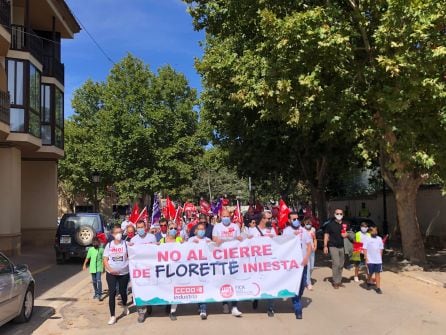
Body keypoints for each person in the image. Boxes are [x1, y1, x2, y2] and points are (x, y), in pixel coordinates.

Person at [212, 208, 243, 317]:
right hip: (222, 259)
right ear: (220, 217)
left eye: (227, 216)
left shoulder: (235, 227)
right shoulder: (217, 227)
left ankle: (234, 306)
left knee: (234, 280)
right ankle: (225, 303)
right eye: (223, 216)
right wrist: (217, 240)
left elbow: (240, 239)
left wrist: (241, 239)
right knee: (224, 280)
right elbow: (214, 238)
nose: (225, 218)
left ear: (230, 216)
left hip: (234, 258)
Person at [283, 212, 312, 319]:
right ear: (289, 220)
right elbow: (283, 246)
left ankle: (297, 298)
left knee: (303, 283)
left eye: (297, 218)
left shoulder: (304, 230)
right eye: (293, 219)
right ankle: (297, 308)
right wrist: (291, 237)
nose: (296, 220)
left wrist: (306, 258)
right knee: (295, 284)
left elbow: (309, 246)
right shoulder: (286, 231)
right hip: (292, 264)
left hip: (303, 263)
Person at [247, 211, 276, 316]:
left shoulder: (272, 230)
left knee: (270, 283)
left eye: (271, 218)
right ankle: (255, 298)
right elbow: (246, 245)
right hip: (257, 263)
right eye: (268, 218)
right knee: (257, 282)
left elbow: (277, 244)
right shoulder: (252, 230)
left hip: (269, 262)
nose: (270, 220)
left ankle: (270, 307)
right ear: (262, 219)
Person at [129, 220, 157, 323]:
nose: (140, 229)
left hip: (150, 269)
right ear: (136, 228)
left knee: (149, 289)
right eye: (138, 227)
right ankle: (141, 312)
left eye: (142, 227)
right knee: (139, 290)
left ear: (145, 227)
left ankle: (149, 304)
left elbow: (156, 252)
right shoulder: (133, 239)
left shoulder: (151, 237)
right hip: (138, 270)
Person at [103, 225, 130, 325]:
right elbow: (105, 259)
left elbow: (138, 248)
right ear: (113, 234)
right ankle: (113, 316)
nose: (119, 234)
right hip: (111, 273)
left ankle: (125, 305)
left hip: (124, 273)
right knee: (112, 292)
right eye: (117, 232)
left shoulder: (126, 244)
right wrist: (110, 269)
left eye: (120, 232)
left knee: (123, 292)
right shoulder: (109, 245)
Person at [160, 222, 183, 320]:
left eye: (175, 228)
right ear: (168, 229)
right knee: (167, 289)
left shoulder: (180, 239)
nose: (173, 229)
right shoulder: (162, 240)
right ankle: (168, 305)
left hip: (177, 270)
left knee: (175, 290)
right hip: (165, 270)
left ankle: (173, 311)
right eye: (171, 228)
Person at [189, 222, 211, 319]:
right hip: (194, 269)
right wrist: (189, 244)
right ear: (196, 231)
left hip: (205, 269)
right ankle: (199, 305)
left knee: (203, 288)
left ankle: (203, 309)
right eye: (200, 229)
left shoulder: (208, 240)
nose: (201, 231)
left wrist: (212, 245)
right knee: (197, 288)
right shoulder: (191, 240)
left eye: (203, 229)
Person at [323, 209, 349, 289]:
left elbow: (350, 233)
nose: (339, 215)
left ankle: (339, 281)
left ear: (343, 214)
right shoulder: (330, 225)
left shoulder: (345, 224)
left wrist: (347, 234)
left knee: (341, 265)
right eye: (337, 213)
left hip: (342, 247)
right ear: (334, 214)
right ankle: (335, 281)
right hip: (333, 246)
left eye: (340, 213)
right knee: (336, 264)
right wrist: (325, 246)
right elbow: (326, 235)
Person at [363, 226, 383, 294]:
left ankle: (378, 287)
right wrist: (366, 258)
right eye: (373, 231)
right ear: (370, 232)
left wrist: (380, 257)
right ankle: (368, 281)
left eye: (376, 231)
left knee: (377, 273)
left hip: (378, 260)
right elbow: (364, 249)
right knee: (370, 273)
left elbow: (381, 249)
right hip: (370, 260)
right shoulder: (367, 239)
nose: (375, 232)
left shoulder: (379, 239)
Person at [302, 217, 317, 290]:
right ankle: (308, 283)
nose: (308, 224)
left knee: (312, 267)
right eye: (307, 223)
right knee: (307, 267)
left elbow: (314, 239)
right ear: (304, 223)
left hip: (312, 250)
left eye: (309, 223)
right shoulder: (302, 230)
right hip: (305, 251)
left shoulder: (313, 229)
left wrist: (315, 246)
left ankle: (307, 278)